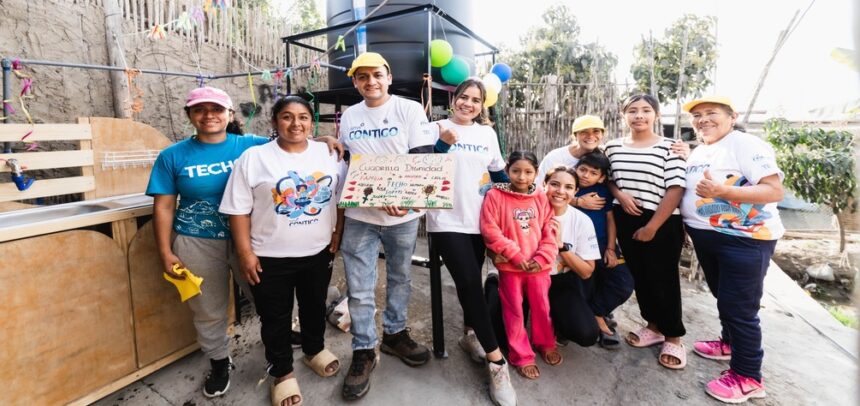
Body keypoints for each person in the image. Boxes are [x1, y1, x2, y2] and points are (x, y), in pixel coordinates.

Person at [219, 96, 347, 406]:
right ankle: (281, 371)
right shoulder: (254, 158)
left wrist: (337, 231)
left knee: (314, 306)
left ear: (311, 122)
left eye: (303, 117)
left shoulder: (328, 152)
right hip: (269, 256)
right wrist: (245, 252)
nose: (296, 123)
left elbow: (340, 195)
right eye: (287, 117)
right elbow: (237, 210)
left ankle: (314, 349)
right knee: (274, 317)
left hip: (317, 252)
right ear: (275, 121)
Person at [146, 86, 270, 397]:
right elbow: (163, 206)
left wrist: (324, 140)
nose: (209, 115)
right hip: (195, 241)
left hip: (251, 239)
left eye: (216, 109)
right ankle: (219, 361)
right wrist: (165, 251)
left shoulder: (253, 146)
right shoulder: (172, 156)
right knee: (208, 308)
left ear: (230, 114)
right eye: (200, 109)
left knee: (267, 296)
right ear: (190, 115)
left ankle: (276, 348)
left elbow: (293, 146)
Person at [335, 52, 435, 400]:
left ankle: (394, 334)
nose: (371, 82)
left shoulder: (408, 109)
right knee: (360, 287)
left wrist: (399, 194)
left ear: (388, 77)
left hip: (403, 215)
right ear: (355, 82)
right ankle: (364, 349)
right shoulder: (349, 115)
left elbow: (422, 157)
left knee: (400, 276)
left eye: (377, 75)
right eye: (363, 77)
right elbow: (349, 162)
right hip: (360, 216)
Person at [680, 96, 784, 403]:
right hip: (708, 237)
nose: (703, 119)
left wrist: (724, 191)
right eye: (697, 115)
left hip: (745, 239)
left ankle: (748, 376)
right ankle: (728, 344)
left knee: (740, 308)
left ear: (731, 116)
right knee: (723, 297)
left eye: (712, 113)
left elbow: (773, 189)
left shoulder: (746, 145)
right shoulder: (701, 149)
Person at [429, 78, 516, 405]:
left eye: (475, 100)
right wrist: (441, 146)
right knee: (467, 282)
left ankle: (471, 335)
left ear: (482, 105)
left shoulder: (487, 134)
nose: (468, 104)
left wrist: (524, 196)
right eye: (463, 97)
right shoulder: (435, 128)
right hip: (446, 219)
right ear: (454, 98)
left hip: (482, 219)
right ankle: (497, 362)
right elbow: (421, 170)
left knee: (475, 280)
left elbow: (498, 175)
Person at [606, 94, 687, 370]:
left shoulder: (670, 148)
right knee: (640, 276)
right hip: (626, 217)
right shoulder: (612, 147)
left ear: (656, 115)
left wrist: (652, 227)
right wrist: (621, 196)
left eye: (645, 110)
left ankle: (674, 336)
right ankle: (652, 327)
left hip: (662, 220)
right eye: (632, 110)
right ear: (623, 115)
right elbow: (609, 181)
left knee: (664, 278)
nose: (639, 115)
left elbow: (676, 188)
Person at [480, 151, 559, 380]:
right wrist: (514, 255)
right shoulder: (495, 196)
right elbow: (490, 229)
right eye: (516, 171)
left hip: (538, 268)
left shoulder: (541, 197)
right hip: (510, 269)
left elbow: (549, 229)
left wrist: (542, 258)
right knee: (513, 311)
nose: (522, 177)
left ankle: (545, 343)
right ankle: (521, 355)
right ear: (507, 171)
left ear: (536, 173)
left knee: (542, 307)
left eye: (528, 172)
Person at [537, 114, 690, 211]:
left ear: (602, 135)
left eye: (596, 131)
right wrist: (577, 201)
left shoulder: (605, 153)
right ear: (575, 135)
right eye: (584, 132)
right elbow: (538, 191)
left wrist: (685, 152)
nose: (591, 136)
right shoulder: (556, 158)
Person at [567, 152, 634, 348]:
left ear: (602, 177)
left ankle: (597, 313)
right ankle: (579, 324)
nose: (586, 175)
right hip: (576, 250)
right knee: (583, 286)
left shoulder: (602, 191)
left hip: (603, 246)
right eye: (582, 170)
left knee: (622, 283)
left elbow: (610, 219)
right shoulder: (568, 187)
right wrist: (575, 200)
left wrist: (611, 249)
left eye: (593, 172)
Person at [542, 165, 603, 348]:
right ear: (544, 184)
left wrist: (561, 246)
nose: (560, 191)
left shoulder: (582, 220)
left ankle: (557, 319)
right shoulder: (529, 211)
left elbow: (586, 272)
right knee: (501, 334)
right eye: (554, 184)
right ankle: (492, 284)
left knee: (587, 334)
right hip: (527, 277)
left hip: (560, 281)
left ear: (576, 191)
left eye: (568, 187)